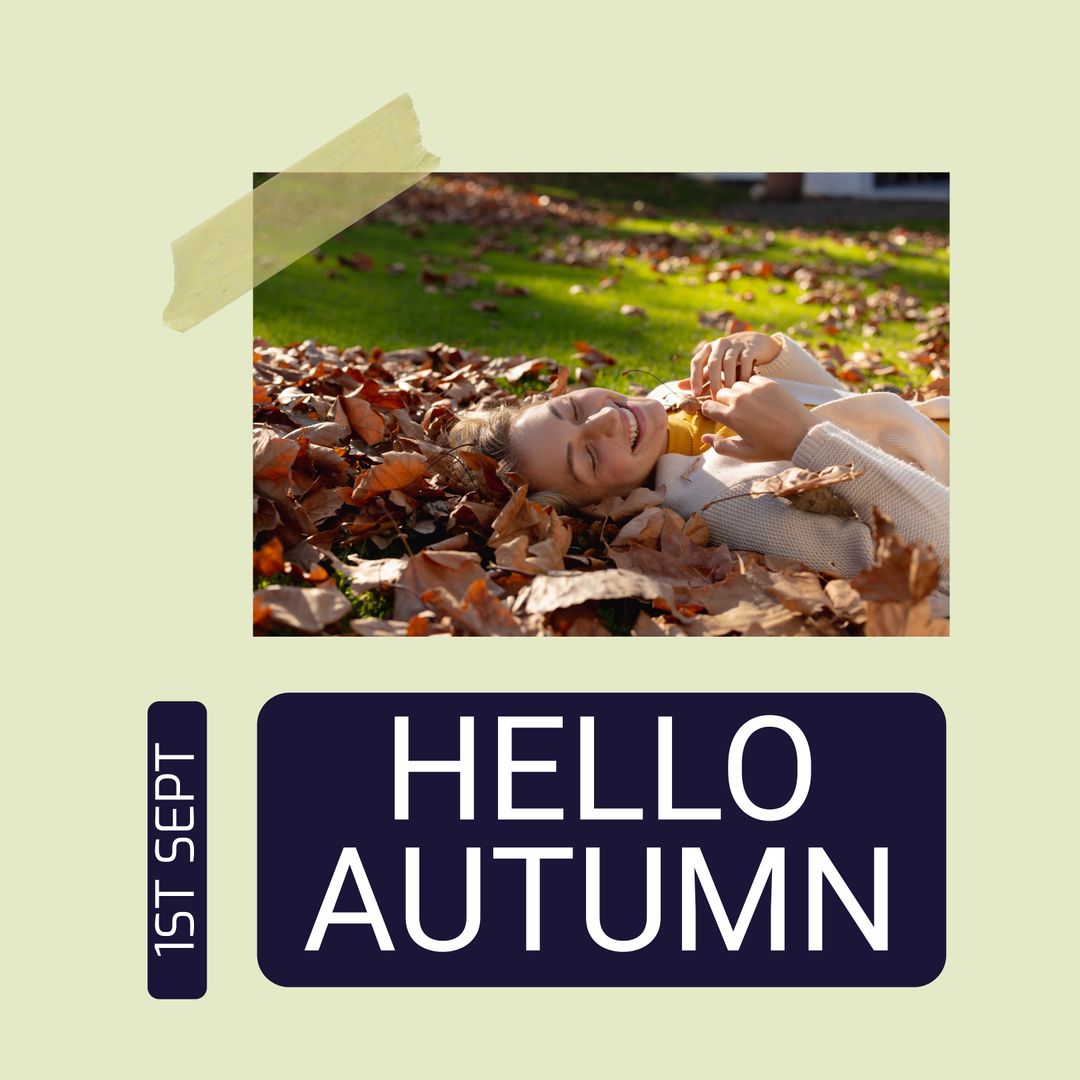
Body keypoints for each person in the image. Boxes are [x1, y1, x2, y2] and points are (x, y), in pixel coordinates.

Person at [448, 332, 949, 589]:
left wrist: (770, 353)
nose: (602, 421)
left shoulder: (666, 399)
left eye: (574, 407)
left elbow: (843, 406)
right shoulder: (726, 508)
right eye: (589, 458)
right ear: (609, 505)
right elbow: (942, 553)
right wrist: (805, 439)